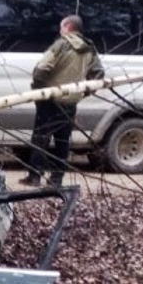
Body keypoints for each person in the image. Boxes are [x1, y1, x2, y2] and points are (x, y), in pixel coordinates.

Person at [19, 15, 104, 187]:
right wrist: (84, 93)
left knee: (40, 137)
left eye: (61, 26)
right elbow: (98, 74)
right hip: (71, 101)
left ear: (68, 27)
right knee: (63, 141)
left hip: (50, 99)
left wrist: (39, 89)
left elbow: (42, 68)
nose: (60, 29)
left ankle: (34, 176)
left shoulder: (61, 44)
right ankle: (57, 179)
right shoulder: (89, 48)